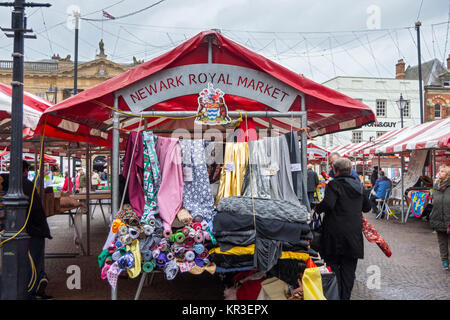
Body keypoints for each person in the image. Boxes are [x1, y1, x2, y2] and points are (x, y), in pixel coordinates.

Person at [315, 158, 371, 300]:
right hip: (353, 234)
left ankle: (336, 296)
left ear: (335, 170)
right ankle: (345, 297)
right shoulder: (359, 186)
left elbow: (328, 204)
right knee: (348, 270)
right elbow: (367, 207)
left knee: (333, 267)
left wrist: (317, 207)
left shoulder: (334, 184)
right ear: (350, 170)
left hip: (334, 234)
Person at [22, 160, 53, 299]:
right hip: (33, 230)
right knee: (34, 261)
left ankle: (36, 283)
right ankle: (33, 289)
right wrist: (44, 230)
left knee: (29, 261)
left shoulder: (12, 184)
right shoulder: (27, 185)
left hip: (23, 230)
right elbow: (36, 210)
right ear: (26, 170)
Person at [429, 165, 450, 270]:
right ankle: (445, 261)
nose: (439, 173)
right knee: (442, 242)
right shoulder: (436, 185)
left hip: (449, 217)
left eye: (442, 171)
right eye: (439, 171)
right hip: (438, 217)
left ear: (447, 174)